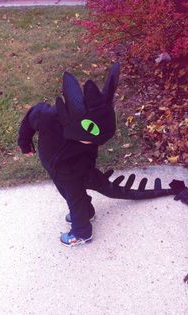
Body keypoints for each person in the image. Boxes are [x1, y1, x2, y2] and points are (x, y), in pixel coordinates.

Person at [17, 63, 120, 247]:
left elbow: (91, 149)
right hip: (55, 164)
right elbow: (28, 122)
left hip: (73, 168)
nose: (92, 144)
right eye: (88, 140)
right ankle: (86, 211)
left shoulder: (91, 134)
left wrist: (88, 166)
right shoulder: (46, 116)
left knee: (74, 197)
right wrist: (25, 144)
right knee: (68, 193)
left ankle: (82, 232)